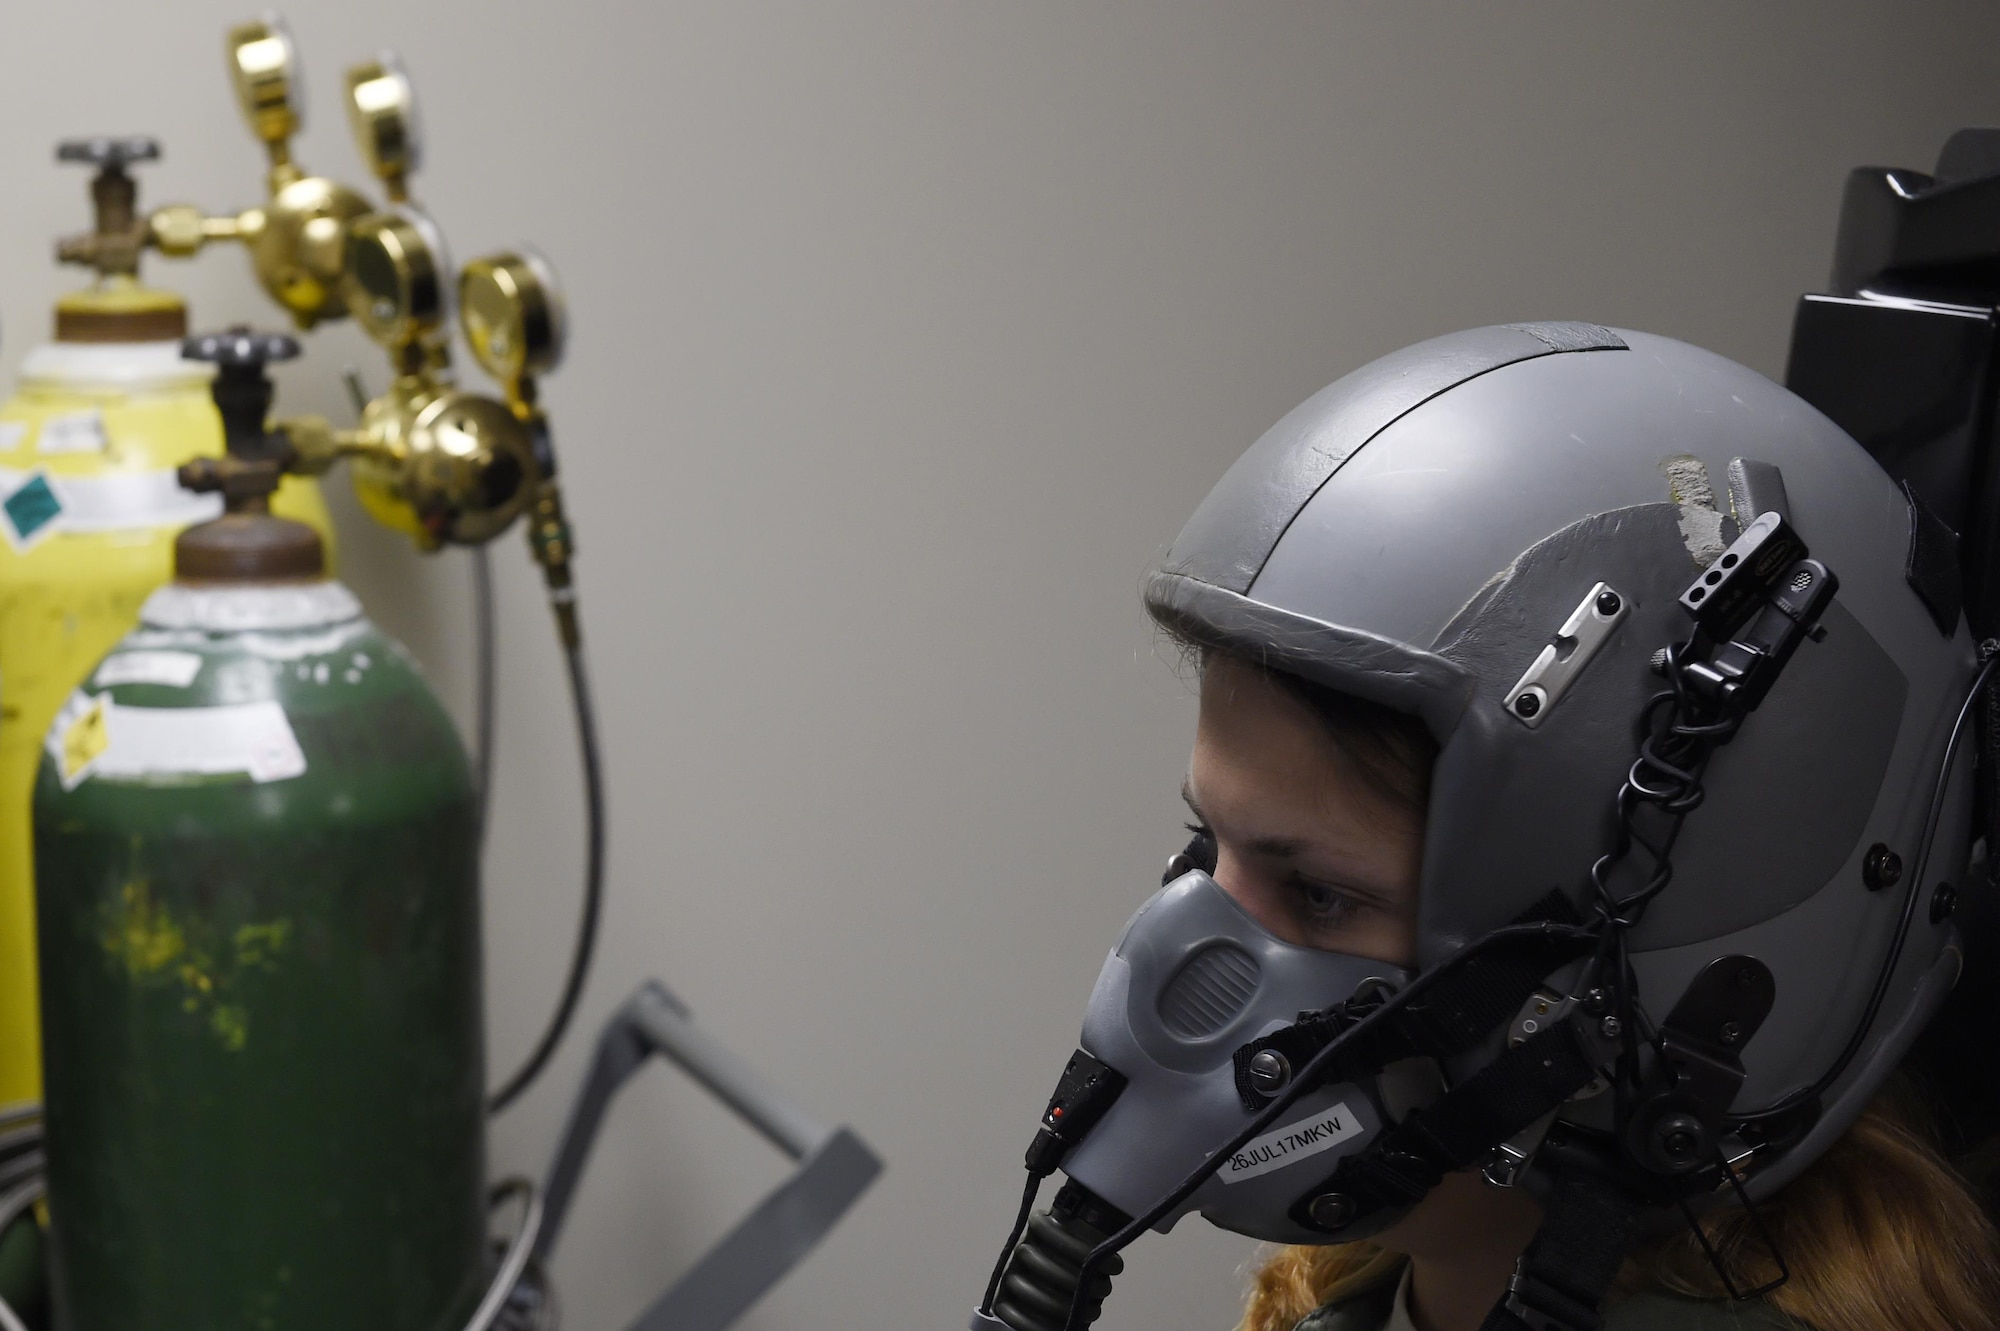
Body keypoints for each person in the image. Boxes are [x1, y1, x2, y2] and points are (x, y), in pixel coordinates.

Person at [973, 323, 2000, 1331]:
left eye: (1319, 891)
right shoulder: (1356, 1300)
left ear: (1669, 976)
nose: (1170, 967)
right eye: (1209, 848)